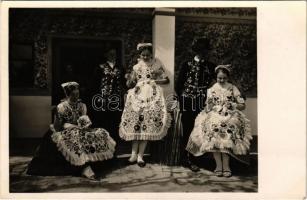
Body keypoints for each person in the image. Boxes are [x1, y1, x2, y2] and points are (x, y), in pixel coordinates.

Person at [27, 82, 116, 180]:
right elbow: (58, 127)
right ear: (67, 95)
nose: (76, 97)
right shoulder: (62, 107)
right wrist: (61, 118)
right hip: (65, 129)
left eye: (77, 94)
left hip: (80, 128)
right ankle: (84, 167)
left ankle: (94, 162)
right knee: (75, 138)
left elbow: (83, 120)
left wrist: (85, 124)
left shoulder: (82, 106)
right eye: (73, 95)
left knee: (100, 133)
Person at [185, 65, 253, 177]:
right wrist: (210, 105)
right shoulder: (211, 90)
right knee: (213, 130)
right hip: (215, 114)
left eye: (224, 78)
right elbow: (207, 107)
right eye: (219, 78)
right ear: (216, 77)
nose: (221, 80)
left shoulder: (233, 88)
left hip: (230, 114)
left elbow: (242, 106)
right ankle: (218, 165)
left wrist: (233, 104)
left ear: (228, 78)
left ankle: (226, 166)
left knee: (228, 129)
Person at [119, 43, 171, 167]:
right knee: (136, 124)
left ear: (151, 54)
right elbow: (130, 83)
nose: (145, 57)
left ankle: (140, 156)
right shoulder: (136, 67)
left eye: (147, 55)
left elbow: (167, 80)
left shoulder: (157, 65)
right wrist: (130, 79)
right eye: (143, 55)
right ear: (140, 55)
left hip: (152, 96)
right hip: (137, 97)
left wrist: (154, 80)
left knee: (146, 124)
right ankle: (133, 155)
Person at [175, 37, 216, 172]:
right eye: (201, 51)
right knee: (187, 128)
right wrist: (181, 101)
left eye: (205, 51)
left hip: (203, 101)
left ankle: (198, 157)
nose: (203, 53)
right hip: (187, 101)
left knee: (200, 128)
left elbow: (221, 80)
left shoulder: (210, 66)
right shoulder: (186, 64)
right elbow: (179, 85)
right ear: (196, 51)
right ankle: (186, 158)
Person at [87, 48, 126, 143]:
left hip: (116, 98)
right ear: (106, 55)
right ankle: (104, 140)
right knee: (104, 118)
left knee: (116, 118)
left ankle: (115, 140)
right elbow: (94, 83)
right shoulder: (100, 67)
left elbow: (123, 82)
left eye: (114, 53)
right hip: (103, 98)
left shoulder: (120, 67)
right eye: (110, 53)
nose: (113, 55)